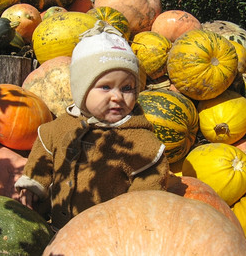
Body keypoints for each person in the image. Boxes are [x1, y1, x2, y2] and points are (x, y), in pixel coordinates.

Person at [14, 21, 169, 231]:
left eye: (127, 88)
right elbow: (44, 148)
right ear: (81, 90)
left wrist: (133, 224)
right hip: (55, 229)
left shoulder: (141, 144)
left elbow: (146, 194)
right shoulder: (64, 125)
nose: (117, 96)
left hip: (103, 238)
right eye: (105, 87)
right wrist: (33, 183)